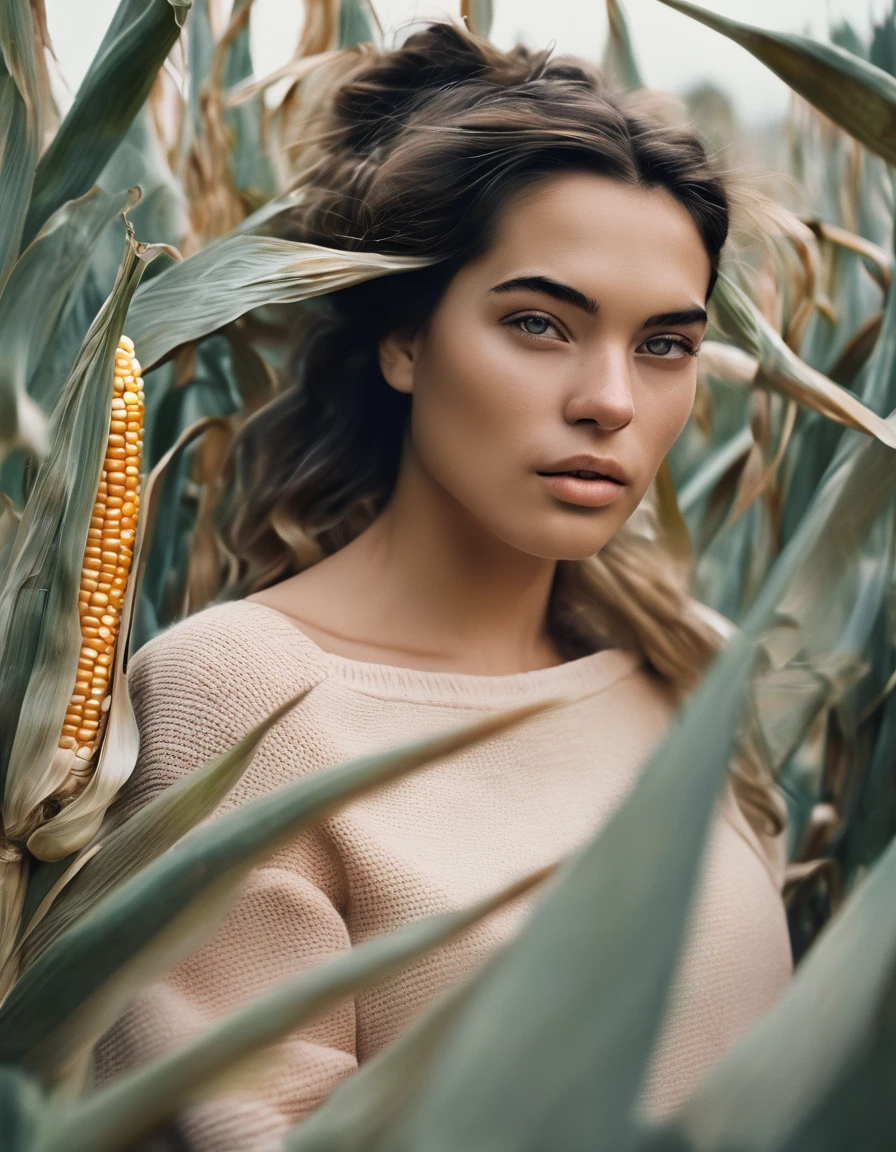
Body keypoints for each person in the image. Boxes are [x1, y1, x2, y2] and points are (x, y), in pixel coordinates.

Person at [96, 21, 792, 1151]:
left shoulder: (672, 669)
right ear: (405, 340)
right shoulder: (242, 704)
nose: (609, 400)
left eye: (663, 345)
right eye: (538, 324)